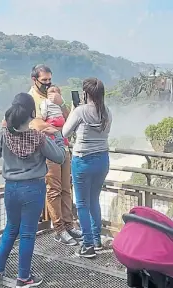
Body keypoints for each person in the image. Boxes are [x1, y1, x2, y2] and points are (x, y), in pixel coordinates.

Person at [0, 93, 66, 288]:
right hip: (33, 188)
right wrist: (56, 135)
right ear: (31, 113)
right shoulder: (38, 138)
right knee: (28, 233)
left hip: (11, 188)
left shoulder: (5, 134)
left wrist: (2, 129)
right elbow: (59, 157)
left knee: (11, 228)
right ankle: (23, 278)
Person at [29, 64, 81, 246]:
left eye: (49, 79)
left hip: (63, 147)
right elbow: (36, 125)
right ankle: (58, 229)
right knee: (54, 189)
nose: (47, 83)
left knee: (67, 187)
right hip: (46, 149)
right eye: (44, 80)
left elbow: (69, 119)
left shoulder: (54, 94)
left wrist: (61, 103)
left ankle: (69, 224)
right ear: (34, 80)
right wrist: (59, 129)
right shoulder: (32, 99)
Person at [62, 77, 112, 258]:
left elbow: (64, 133)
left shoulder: (80, 111)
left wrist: (73, 111)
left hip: (83, 160)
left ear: (85, 93)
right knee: (94, 200)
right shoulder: (107, 111)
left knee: (82, 203)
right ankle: (97, 240)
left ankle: (88, 245)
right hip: (102, 160)